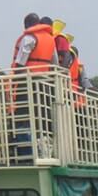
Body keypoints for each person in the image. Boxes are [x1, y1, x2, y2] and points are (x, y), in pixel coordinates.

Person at [9, 13, 58, 160]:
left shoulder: (29, 38)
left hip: (28, 82)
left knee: (23, 116)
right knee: (42, 118)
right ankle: (45, 151)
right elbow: (55, 63)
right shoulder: (50, 39)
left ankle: (27, 154)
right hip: (45, 84)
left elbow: (20, 61)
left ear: (27, 25)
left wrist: (13, 80)